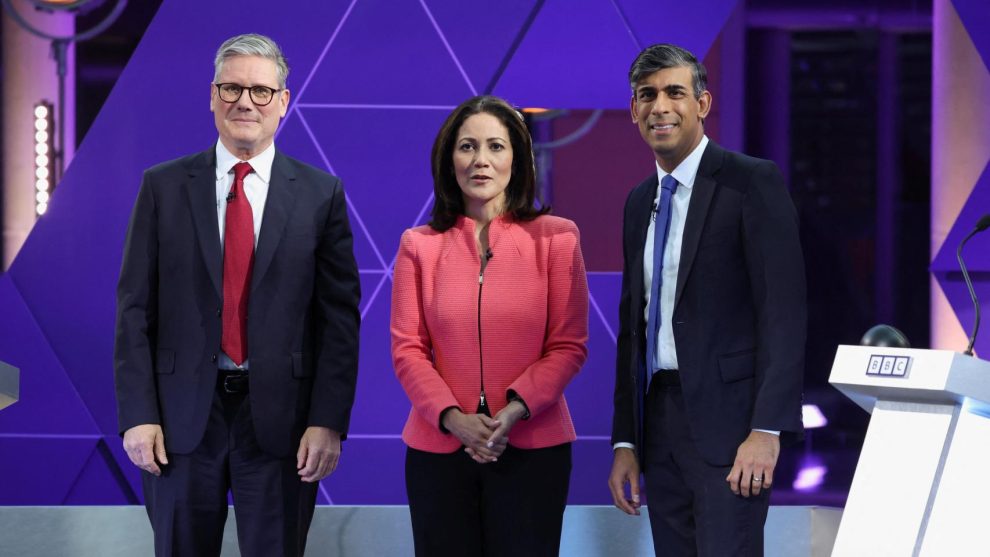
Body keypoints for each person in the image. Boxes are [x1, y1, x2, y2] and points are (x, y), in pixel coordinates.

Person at [114, 33, 360, 556]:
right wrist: (138, 413)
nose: (245, 102)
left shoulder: (321, 195)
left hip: (284, 423)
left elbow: (338, 321)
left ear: (283, 102)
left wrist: (328, 421)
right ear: (212, 96)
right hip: (181, 422)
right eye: (231, 88)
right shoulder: (162, 187)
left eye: (260, 91)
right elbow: (134, 309)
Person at [607, 44, 806, 556]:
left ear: (703, 103)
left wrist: (767, 429)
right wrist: (626, 442)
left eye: (675, 92)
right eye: (647, 95)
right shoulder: (636, 201)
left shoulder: (750, 181)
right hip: (659, 427)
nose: (660, 106)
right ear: (634, 111)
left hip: (732, 430)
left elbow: (783, 314)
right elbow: (634, 327)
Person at [390, 95, 589, 556]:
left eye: (496, 146)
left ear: (517, 158)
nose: (481, 160)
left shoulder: (558, 238)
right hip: (438, 451)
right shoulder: (418, 246)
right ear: (449, 158)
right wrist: (454, 420)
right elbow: (407, 350)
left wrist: (513, 412)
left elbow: (569, 345)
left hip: (532, 448)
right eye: (468, 146)